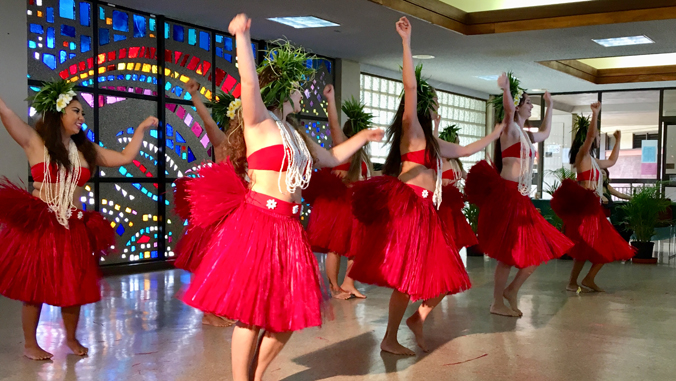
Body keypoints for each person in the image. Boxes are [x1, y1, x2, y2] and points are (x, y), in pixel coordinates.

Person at [179, 14, 383, 381]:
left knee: (288, 314)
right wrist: (242, 36)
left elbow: (334, 158)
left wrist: (364, 137)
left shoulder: (296, 135)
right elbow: (248, 80)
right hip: (257, 223)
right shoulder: (258, 121)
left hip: (289, 228)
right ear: (281, 90)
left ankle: (256, 374)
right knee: (252, 314)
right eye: (297, 86)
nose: (302, 92)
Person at [349, 17, 503, 356]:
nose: (433, 109)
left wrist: (496, 133)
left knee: (448, 276)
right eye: (429, 105)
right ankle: (389, 338)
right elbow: (410, 87)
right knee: (407, 279)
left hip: (426, 213)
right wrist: (406, 42)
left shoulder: (431, 142)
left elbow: (465, 150)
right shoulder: (411, 130)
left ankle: (416, 319)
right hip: (408, 209)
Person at [0, 79, 157, 360]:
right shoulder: (35, 143)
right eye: (76, 111)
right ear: (58, 113)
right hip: (42, 222)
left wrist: (141, 129)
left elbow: (124, 156)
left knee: (73, 284)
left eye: (82, 113)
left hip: (73, 225)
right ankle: (30, 344)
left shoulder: (84, 150)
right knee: (35, 286)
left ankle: (71, 339)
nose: (81, 117)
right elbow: (7, 114)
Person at [465, 73, 573, 317]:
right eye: (528, 103)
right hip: (507, 195)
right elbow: (507, 110)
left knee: (537, 251)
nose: (532, 106)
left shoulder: (526, 135)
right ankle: (497, 302)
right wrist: (506, 90)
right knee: (506, 256)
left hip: (521, 198)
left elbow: (545, 132)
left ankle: (511, 291)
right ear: (518, 106)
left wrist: (551, 106)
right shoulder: (510, 130)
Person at [551, 103, 634, 292]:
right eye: (596, 135)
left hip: (594, 210)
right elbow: (589, 135)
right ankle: (575, 281)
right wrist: (595, 113)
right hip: (585, 211)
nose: (597, 137)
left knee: (599, 247)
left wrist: (618, 141)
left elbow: (612, 161)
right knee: (589, 248)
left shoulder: (594, 162)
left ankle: (585, 279)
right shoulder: (582, 156)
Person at [172, 79, 235, 327]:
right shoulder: (222, 140)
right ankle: (209, 310)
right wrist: (195, 96)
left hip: (239, 206)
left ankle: (219, 306)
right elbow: (207, 121)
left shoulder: (250, 143)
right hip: (219, 207)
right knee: (212, 257)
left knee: (227, 260)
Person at [304, 85, 374, 300]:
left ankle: (348, 283)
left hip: (356, 205)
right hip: (338, 205)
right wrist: (330, 99)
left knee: (357, 247)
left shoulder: (362, 156)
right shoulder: (343, 146)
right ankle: (334, 287)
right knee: (335, 247)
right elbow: (334, 125)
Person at [435, 122, 478, 253]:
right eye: (456, 143)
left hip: (455, 206)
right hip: (443, 205)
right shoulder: (440, 160)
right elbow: (434, 144)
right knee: (445, 237)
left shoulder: (456, 163)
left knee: (456, 240)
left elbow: (467, 177)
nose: (459, 146)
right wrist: (436, 126)